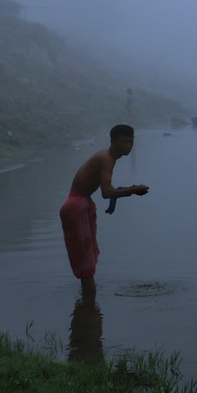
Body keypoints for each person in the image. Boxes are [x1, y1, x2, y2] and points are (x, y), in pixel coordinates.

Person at [59, 124, 149, 293]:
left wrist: (125, 190)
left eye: (131, 142)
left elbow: (109, 189)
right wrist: (133, 191)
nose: (129, 146)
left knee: (86, 260)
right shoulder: (106, 157)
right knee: (85, 264)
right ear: (113, 141)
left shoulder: (109, 158)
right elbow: (106, 192)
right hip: (76, 206)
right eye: (124, 142)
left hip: (79, 204)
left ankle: (88, 308)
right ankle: (90, 306)